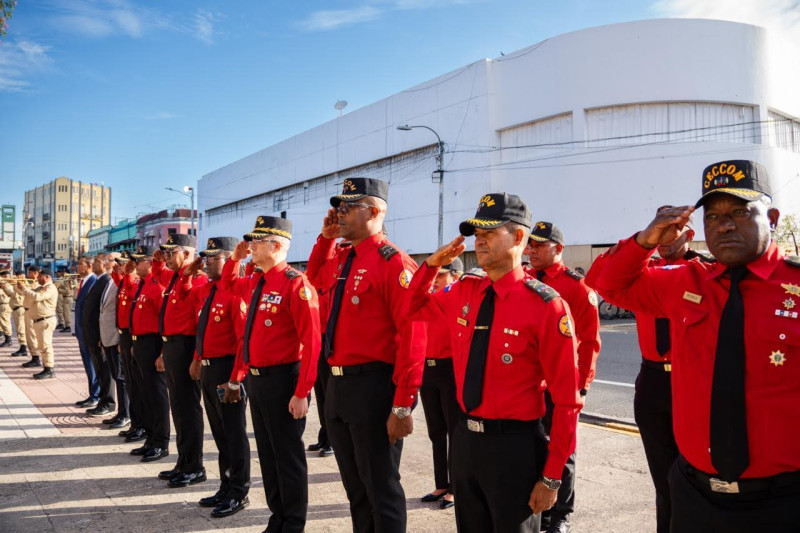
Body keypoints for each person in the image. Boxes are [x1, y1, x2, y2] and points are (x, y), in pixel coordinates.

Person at [588, 160, 800, 532]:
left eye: (739, 211)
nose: (724, 224)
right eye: (712, 216)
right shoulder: (687, 282)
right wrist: (645, 240)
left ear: (773, 218)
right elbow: (607, 284)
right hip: (696, 497)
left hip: (784, 501)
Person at [405, 192, 582, 533]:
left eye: (489, 233)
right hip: (465, 440)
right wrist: (430, 266)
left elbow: (567, 402)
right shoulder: (465, 291)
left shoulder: (546, 306)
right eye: (477, 234)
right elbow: (411, 306)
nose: (479, 241)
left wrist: (551, 477)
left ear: (518, 237)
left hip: (513, 448)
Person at [308, 177, 424, 533]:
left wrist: (403, 404)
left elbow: (413, 337)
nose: (339, 214)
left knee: (381, 489)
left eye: (347, 207)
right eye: (338, 207)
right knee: (355, 488)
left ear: (373, 212)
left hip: (374, 386)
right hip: (339, 385)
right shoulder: (345, 257)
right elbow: (315, 280)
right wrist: (325, 240)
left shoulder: (394, 264)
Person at [585, 206, 710, 533]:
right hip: (653, 381)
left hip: (692, 382)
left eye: (675, 229)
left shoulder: (705, 272)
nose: (667, 237)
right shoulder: (641, 271)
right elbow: (596, 279)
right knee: (663, 479)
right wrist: (643, 239)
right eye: (661, 229)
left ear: (690, 235)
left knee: (698, 476)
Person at [223, 217, 321, 531]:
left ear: (276, 245)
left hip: (285, 380)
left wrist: (302, 392)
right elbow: (227, 286)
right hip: (258, 379)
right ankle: (277, 516)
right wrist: (235, 259)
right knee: (268, 454)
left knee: (288, 457)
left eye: (257, 241)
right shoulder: (257, 280)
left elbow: (312, 342)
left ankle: (293, 522)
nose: (251, 246)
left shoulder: (295, 282)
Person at [524, 221, 602, 533]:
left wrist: (581, 385)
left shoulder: (576, 287)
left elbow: (591, 341)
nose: (532, 250)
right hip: (530, 384)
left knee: (563, 450)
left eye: (540, 245)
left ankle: (561, 515)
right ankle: (539, 509)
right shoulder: (526, 280)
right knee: (533, 449)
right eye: (530, 245)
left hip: (562, 384)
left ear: (558, 248)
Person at [180, 237, 251, 518]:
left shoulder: (236, 293)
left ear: (229, 259)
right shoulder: (209, 290)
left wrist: (235, 379)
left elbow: (243, 341)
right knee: (220, 433)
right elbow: (185, 296)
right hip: (209, 370)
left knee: (234, 434)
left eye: (213, 258)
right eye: (205, 257)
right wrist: (189, 272)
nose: (207, 262)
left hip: (227, 372)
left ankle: (239, 492)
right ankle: (225, 486)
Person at [151, 234, 208, 487]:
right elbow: (157, 274)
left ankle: (195, 465)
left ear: (186, 254)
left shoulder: (199, 279)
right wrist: (157, 262)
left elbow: (200, 324)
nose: (166, 259)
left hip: (187, 347)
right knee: (178, 407)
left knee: (188, 408)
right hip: (172, 346)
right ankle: (183, 460)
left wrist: (196, 357)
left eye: (171, 253)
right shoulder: (174, 277)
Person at [418, 257, 463, 510]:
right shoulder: (432, 295)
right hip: (428, 367)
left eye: (442, 275)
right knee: (436, 432)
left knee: (453, 430)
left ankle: (455, 488)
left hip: (449, 368)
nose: (436, 280)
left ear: (454, 275)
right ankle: (441, 483)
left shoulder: (454, 294)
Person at [126, 245, 170, 463]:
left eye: (140, 260)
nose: (136, 265)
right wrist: (135, 341)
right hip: (141, 344)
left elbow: (165, 321)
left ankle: (161, 442)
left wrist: (163, 353)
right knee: (145, 394)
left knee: (157, 396)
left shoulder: (157, 286)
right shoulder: (142, 285)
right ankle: (151, 439)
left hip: (154, 345)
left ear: (151, 262)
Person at [113, 251, 146, 441]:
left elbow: (131, 295)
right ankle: (135, 423)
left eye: (123, 263)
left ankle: (140, 424)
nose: (120, 266)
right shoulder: (125, 281)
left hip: (133, 335)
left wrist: (128, 273)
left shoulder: (133, 282)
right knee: (131, 383)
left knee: (137, 384)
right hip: (124, 335)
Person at [97, 252, 130, 429]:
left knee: (121, 376)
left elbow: (121, 312)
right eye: (110, 260)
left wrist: (118, 339)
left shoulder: (125, 282)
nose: (110, 263)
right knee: (116, 375)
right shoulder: (111, 281)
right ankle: (121, 412)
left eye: (114, 260)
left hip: (116, 336)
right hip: (107, 335)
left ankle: (126, 414)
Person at [81, 254, 117, 418]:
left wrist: (100, 336)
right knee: (99, 369)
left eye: (97, 262)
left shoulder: (106, 280)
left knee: (105, 370)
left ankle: (108, 402)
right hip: (92, 334)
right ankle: (102, 400)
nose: (94, 264)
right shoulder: (99, 280)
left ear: (106, 264)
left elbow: (102, 311)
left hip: (99, 335)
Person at [16, 268, 59, 379]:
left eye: (40, 276)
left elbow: (37, 296)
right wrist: (20, 287)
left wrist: (24, 288)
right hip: (39, 320)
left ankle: (49, 369)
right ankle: (46, 367)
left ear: (47, 277)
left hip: (45, 320)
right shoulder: (41, 287)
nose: (38, 278)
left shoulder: (50, 288)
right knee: (42, 346)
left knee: (45, 346)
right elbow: (29, 296)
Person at [74, 257, 101, 408]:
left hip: (89, 332)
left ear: (89, 266)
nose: (77, 267)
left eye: (80, 264)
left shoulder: (94, 281)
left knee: (92, 364)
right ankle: (92, 393)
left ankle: (95, 395)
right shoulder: (84, 281)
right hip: (81, 331)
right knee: (87, 365)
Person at [19, 265, 42, 368]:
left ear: (35, 273)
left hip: (32, 311)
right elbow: (22, 293)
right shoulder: (31, 283)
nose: (28, 275)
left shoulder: (38, 284)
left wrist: (23, 286)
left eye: (30, 273)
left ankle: (36, 358)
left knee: (32, 335)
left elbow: (31, 293)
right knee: (28, 335)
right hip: (27, 311)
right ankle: (33, 356)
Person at [2, 271, 27, 354]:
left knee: (21, 329)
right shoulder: (16, 284)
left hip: (20, 308)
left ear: (23, 275)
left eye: (18, 275)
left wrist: (14, 285)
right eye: (16, 275)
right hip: (16, 309)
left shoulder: (25, 284)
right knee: (20, 329)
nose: (16, 276)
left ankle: (24, 348)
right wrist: (5, 287)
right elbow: (11, 294)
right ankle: (22, 347)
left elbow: (19, 293)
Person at [0, 270, 12, 347]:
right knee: (3, 322)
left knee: (5, 322)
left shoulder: (6, 285)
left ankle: (8, 340)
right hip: (3, 304)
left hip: (5, 305)